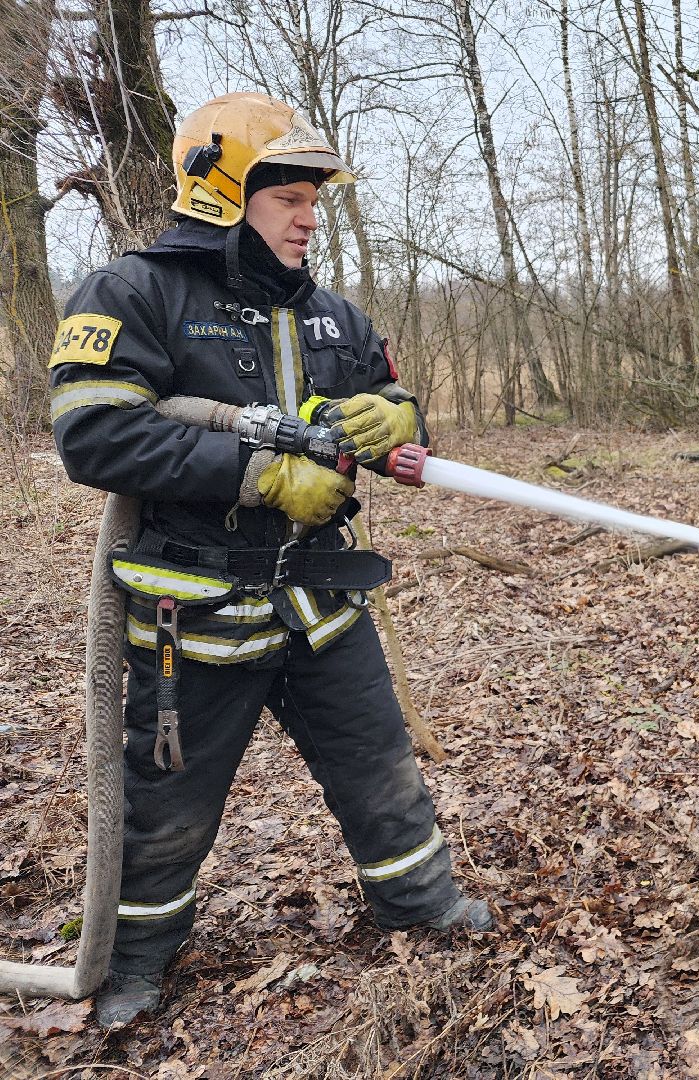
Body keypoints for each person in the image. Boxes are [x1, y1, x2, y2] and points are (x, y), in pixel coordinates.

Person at [48, 92, 493, 1030]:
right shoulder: (135, 294)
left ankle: (421, 905)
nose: (309, 217)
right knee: (167, 809)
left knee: (382, 771)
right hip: (193, 619)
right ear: (221, 190)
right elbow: (94, 437)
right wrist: (258, 476)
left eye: (315, 200)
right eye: (288, 196)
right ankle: (132, 959)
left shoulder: (332, 314)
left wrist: (401, 421)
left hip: (322, 605)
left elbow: (394, 414)